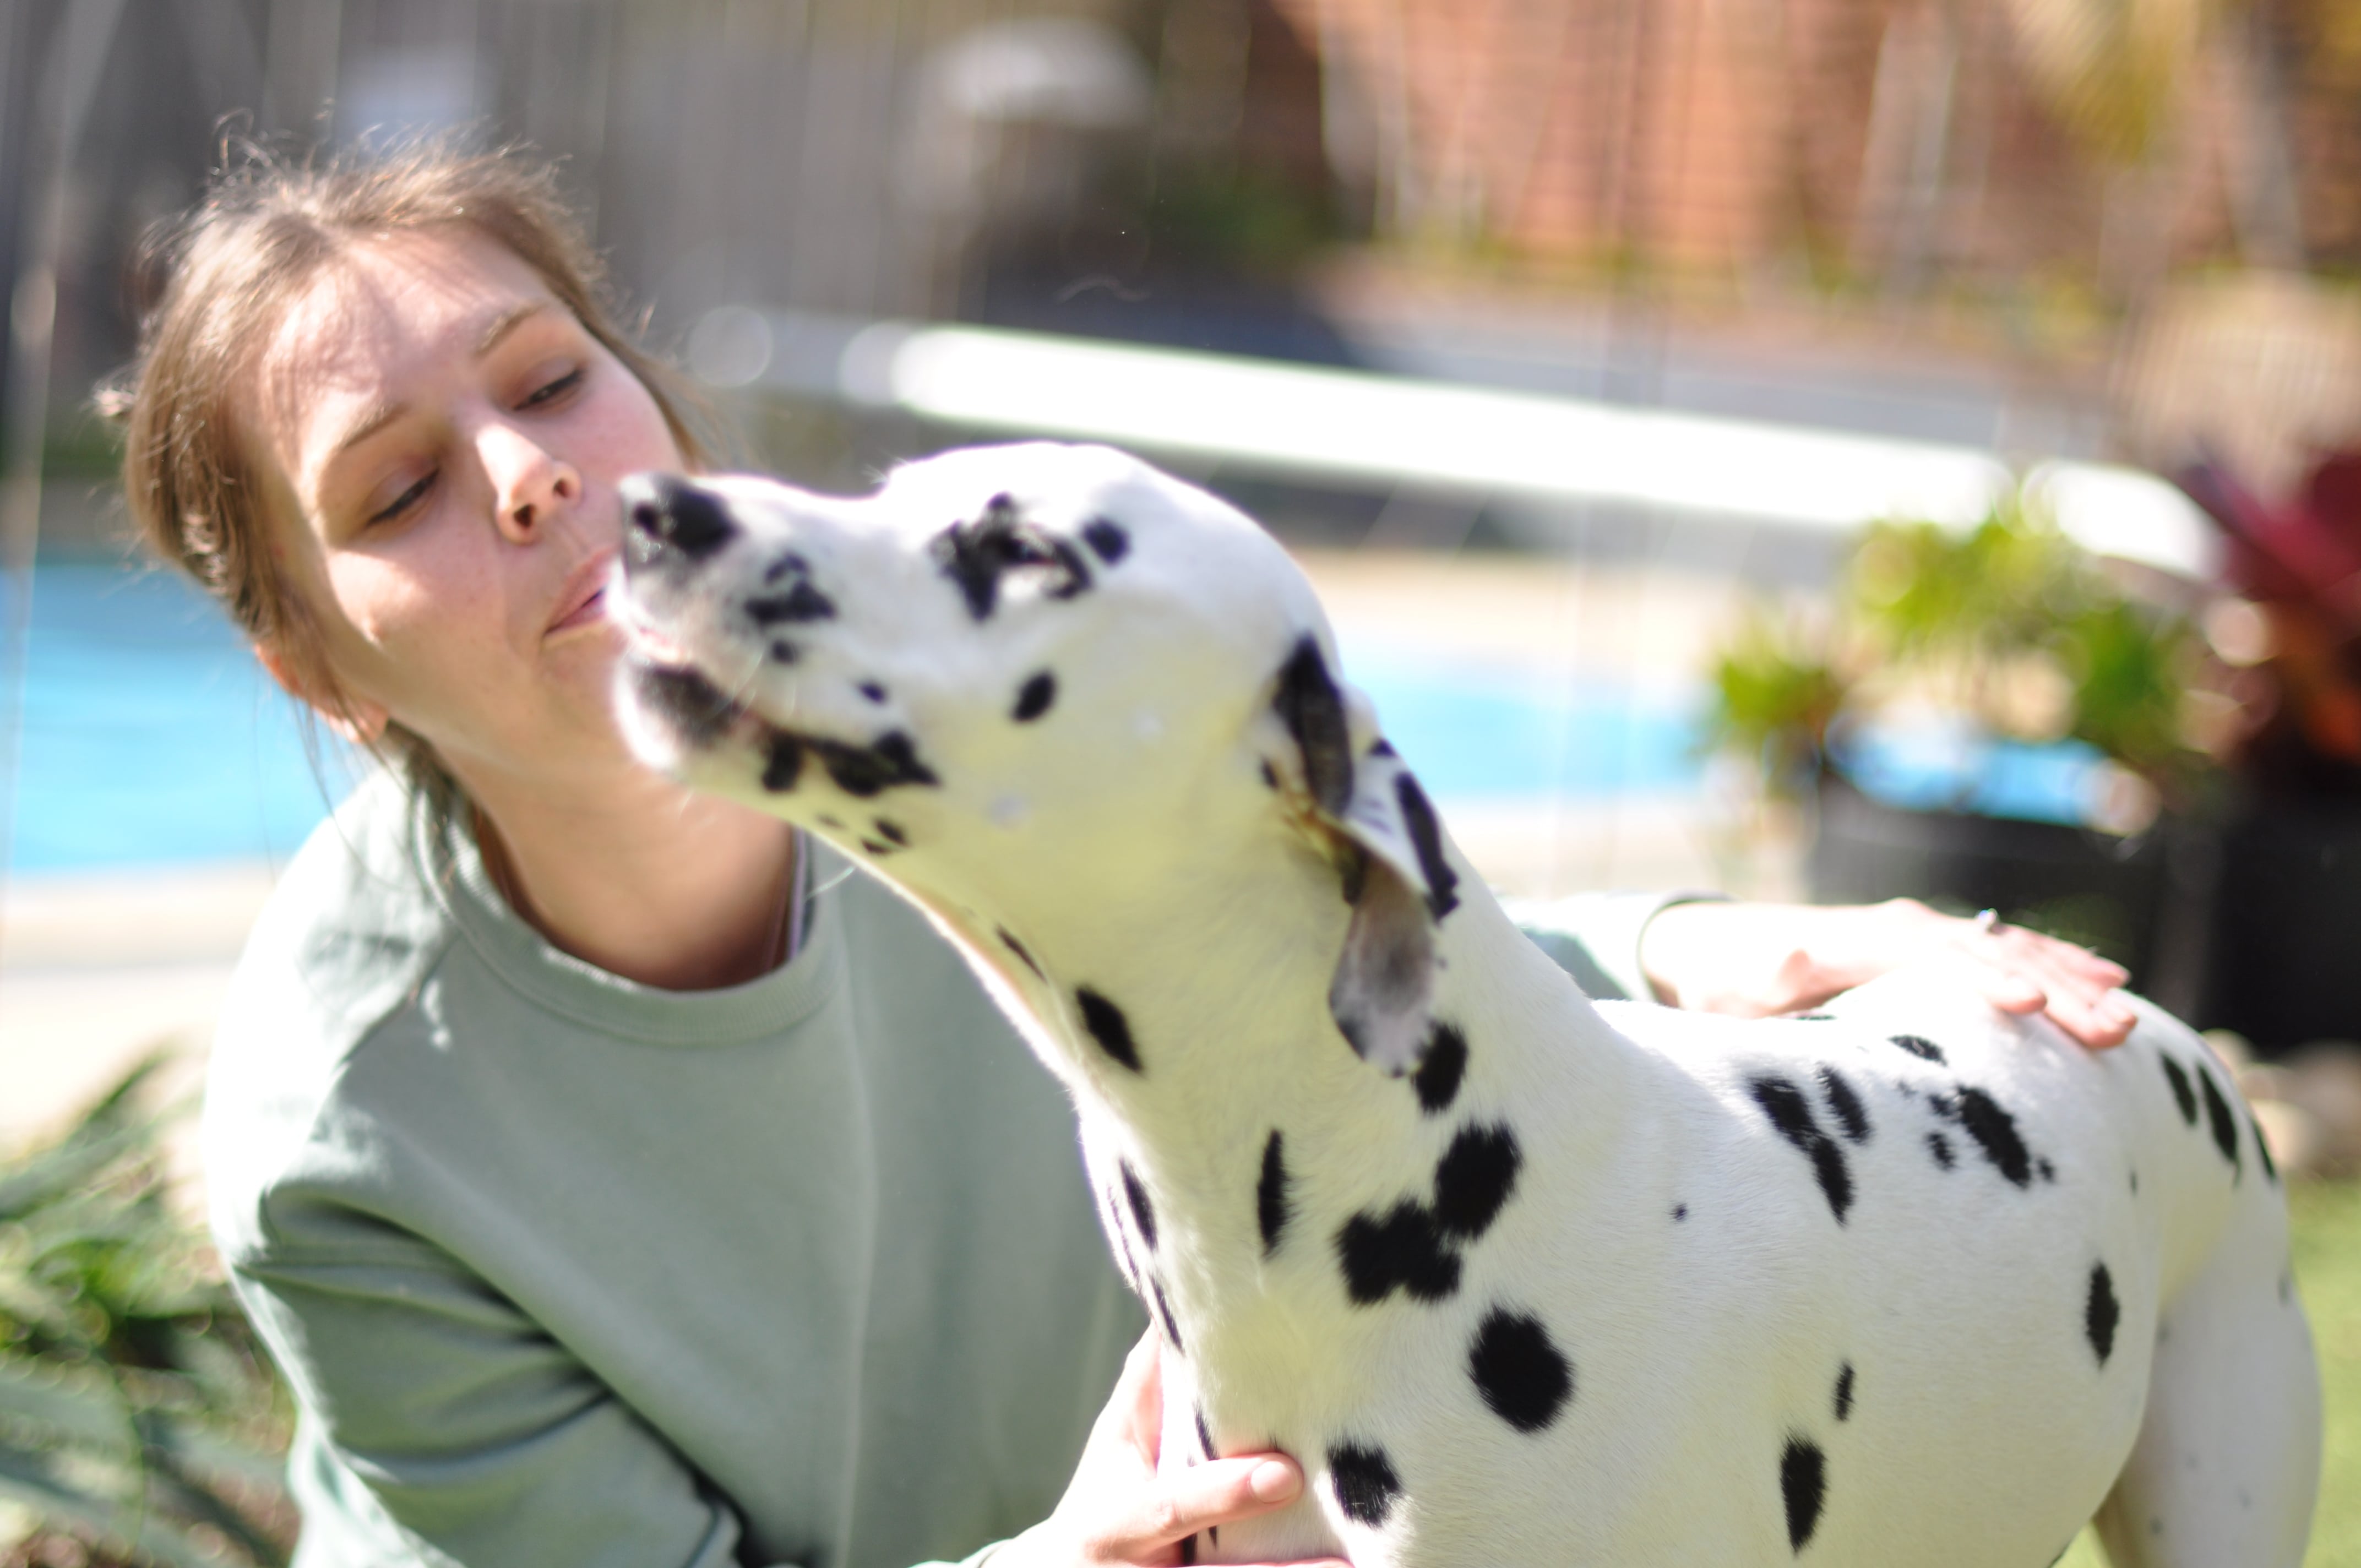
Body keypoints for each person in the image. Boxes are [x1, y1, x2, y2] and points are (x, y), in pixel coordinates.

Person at [113, 141, 2136, 1568]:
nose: (530, 470)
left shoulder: (948, 742)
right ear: (322, 674)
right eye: (399, 489)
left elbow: (1319, 928)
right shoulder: (351, 1132)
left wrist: (1720, 946)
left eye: (553, 377)